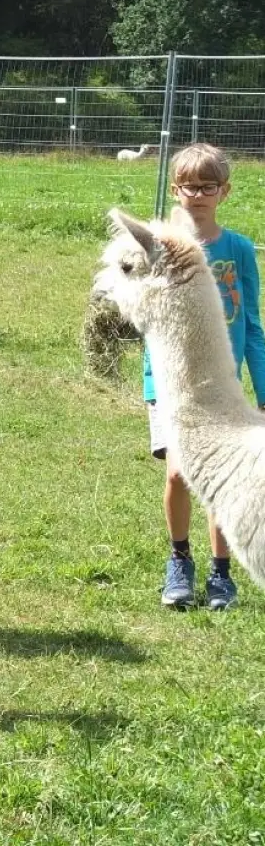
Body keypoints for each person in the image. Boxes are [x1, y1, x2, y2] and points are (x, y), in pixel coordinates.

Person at [145, 143, 265, 611]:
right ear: (175, 191)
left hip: (223, 388)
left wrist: (262, 387)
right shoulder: (161, 249)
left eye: (207, 186)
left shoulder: (238, 249)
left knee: (223, 477)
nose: (197, 194)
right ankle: (179, 560)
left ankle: (221, 572)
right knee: (180, 473)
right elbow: (153, 320)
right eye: (188, 186)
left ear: (224, 192)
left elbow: (251, 321)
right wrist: (154, 384)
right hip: (175, 390)